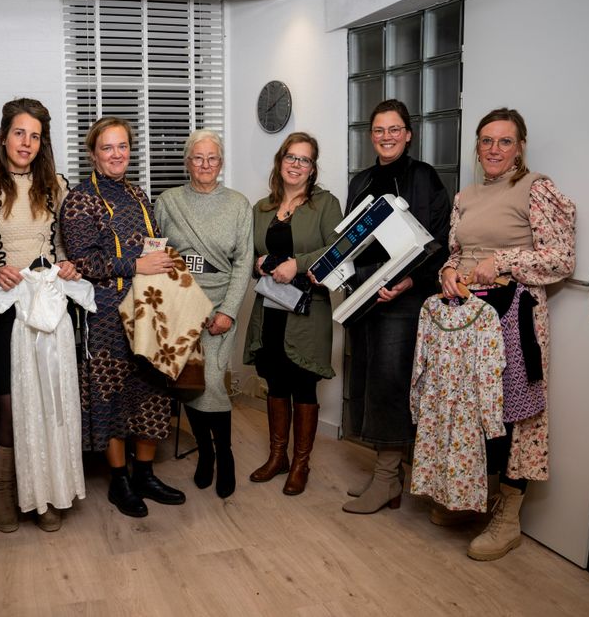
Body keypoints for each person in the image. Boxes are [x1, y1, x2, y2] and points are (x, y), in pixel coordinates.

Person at [439, 107, 575, 560]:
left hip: (514, 316)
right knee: (472, 408)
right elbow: (456, 250)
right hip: (467, 317)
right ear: (477, 147)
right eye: (486, 141)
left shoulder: (535, 189)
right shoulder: (466, 196)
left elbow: (561, 259)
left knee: (515, 413)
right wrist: (447, 271)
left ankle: (509, 516)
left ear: (520, 147)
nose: (494, 149)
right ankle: (474, 497)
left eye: (504, 141)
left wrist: (503, 262)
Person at [0, 98, 80, 533]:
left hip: (48, 308)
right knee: (10, 407)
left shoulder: (56, 185)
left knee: (48, 405)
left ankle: (46, 494)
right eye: (19, 133)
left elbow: (64, 247)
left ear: (43, 143)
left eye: (35, 136)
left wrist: (66, 265)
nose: (26, 142)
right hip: (5, 311)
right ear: (4, 135)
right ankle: (4, 491)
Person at [59, 117, 186, 517]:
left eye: (123, 147)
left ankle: (145, 473)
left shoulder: (138, 193)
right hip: (108, 316)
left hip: (150, 308)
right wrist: (137, 265)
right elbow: (86, 259)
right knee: (111, 396)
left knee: (152, 388)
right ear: (93, 154)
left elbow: (151, 246)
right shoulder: (80, 199)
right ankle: (119, 481)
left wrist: (162, 262)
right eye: (108, 148)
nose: (117, 154)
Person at [340, 100, 451, 514]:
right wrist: (344, 278)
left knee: (390, 382)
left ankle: (387, 479)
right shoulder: (361, 180)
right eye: (379, 130)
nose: (386, 137)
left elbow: (440, 238)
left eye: (394, 129)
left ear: (408, 134)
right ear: (372, 136)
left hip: (405, 298)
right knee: (368, 378)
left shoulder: (423, 177)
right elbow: (350, 240)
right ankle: (385, 475)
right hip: (366, 296)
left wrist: (408, 282)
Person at [154, 130, 253, 499]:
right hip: (182, 304)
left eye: (212, 158)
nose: (205, 164)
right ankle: (205, 453)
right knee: (190, 382)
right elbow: (157, 253)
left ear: (221, 163)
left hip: (221, 304)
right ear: (187, 161)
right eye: (198, 157)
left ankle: (223, 454)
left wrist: (227, 310)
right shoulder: (168, 201)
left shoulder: (238, 204)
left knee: (212, 380)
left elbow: (244, 261)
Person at [243, 132, 343, 496]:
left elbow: (338, 249)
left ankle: (301, 463)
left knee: (302, 383)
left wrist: (296, 265)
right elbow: (250, 253)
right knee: (275, 381)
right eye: (291, 157)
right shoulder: (262, 208)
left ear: (313, 168)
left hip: (307, 312)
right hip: (270, 309)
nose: (296, 164)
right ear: (280, 160)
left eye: (305, 159)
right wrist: (257, 263)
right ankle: (277, 457)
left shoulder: (324, 204)